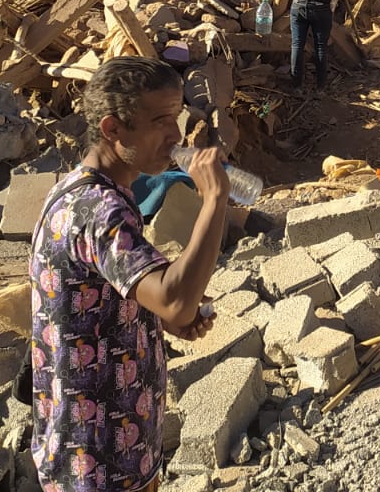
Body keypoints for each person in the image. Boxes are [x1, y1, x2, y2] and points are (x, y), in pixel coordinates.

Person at [30, 57, 231, 492]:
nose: (176, 136)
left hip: (108, 450)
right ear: (112, 129)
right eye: (160, 121)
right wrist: (214, 201)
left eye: (176, 119)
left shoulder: (86, 192)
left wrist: (155, 319)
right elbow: (176, 298)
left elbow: (119, 300)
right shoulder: (99, 212)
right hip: (98, 461)